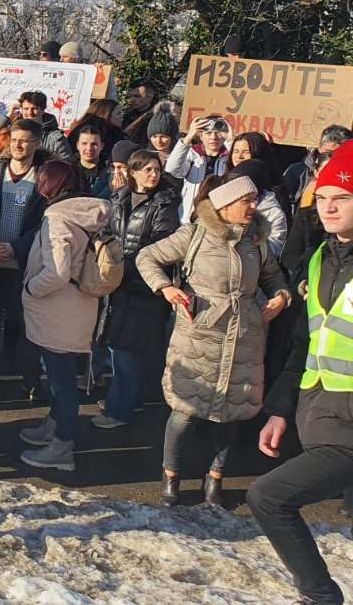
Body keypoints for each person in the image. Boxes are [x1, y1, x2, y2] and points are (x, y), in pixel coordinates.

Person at [137, 173, 290, 506]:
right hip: (200, 333)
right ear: (225, 204)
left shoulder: (258, 239)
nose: (253, 206)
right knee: (185, 412)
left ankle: (215, 478)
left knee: (231, 415)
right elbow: (146, 257)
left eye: (254, 199)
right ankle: (171, 477)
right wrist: (165, 287)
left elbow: (272, 275)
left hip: (245, 336)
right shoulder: (194, 234)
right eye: (246, 200)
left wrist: (280, 295)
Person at [250, 141, 353, 605]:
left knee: (269, 498)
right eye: (324, 197)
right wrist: (280, 410)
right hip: (319, 414)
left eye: (343, 199)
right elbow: (308, 343)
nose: (329, 207)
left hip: (346, 429)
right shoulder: (318, 260)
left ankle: (320, 596)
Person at [17, 161, 112, 471]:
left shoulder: (57, 218)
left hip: (57, 310)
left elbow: (57, 272)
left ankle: (62, 446)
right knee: (64, 376)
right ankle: (53, 426)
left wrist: (31, 288)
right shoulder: (86, 212)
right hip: (78, 306)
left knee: (61, 382)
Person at [94, 149, 183, 430]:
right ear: (132, 172)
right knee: (116, 346)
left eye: (157, 169)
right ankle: (122, 399)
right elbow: (106, 230)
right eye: (147, 169)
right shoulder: (119, 198)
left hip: (143, 286)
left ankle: (119, 411)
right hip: (117, 283)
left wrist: (124, 267)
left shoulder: (164, 205)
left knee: (128, 351)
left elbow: (159, 246)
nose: (153, 175)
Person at [0, 118, 53, 395]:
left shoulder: (45, 177)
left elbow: (46, 222)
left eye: (25, 140)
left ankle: (29, 379)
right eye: (14, 139)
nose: (17, 145)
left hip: (25, 261)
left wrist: (17, 247)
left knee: (26, 323)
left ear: (37, 143)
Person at [167, 114, 231, 220]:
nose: (213, 137)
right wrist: (188, 137)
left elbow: (243, 170)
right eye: (208, 133)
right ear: (200, 135)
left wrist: (230, 141)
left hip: (218, 218)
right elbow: (172, 169)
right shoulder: (192, 154)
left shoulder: (231, 157)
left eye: (218, 133)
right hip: (189, 218)